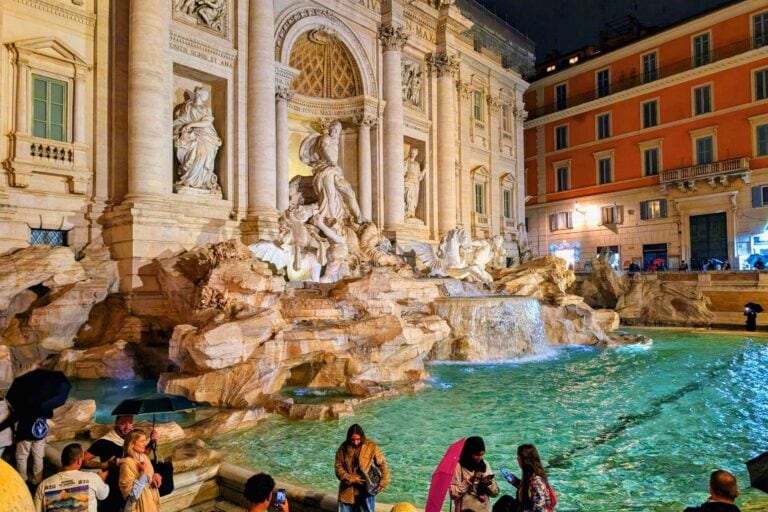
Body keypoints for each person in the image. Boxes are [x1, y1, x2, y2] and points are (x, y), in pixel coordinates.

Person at [83, 415, 158, 512]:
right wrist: (104, 465)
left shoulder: (132, 439)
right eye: (123, 423)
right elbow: (81, 461)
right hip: (113, 491)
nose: (127, 427)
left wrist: (152, 441)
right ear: (116, 422)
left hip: (135, 487)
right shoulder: (104, 442)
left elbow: (140, 457)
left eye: (130, 423)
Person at [34, 443, 109, 511]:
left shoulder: (43, 485)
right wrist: (101, 479)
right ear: (79, 460)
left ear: (62, 459)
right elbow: (103, 496)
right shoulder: (93, 478)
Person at [172, 86, 222, 190]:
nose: (204, 97)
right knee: (198, 155)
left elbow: (207, 122)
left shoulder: (206, 108)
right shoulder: (188, 106)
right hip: (193, 134)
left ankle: (200, 181)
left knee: (203, 155)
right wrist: (182, 127)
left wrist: (191, 125)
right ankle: (189, 180)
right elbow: (182, 119)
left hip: (207, 134)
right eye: (203, 95)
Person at [334, 423, 390, 512]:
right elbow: (338, 468)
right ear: (349, 438)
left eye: (358, 439)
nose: (355, 442)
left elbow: (382, 464)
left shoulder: (371, 446)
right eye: (352, 440)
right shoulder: (343, 448)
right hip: (347, 490)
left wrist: (383, 482)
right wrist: (350, 478)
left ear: (362, 437)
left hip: (366, 489)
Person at [449, 436, 500, 512]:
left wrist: (489, 484)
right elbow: (453, 494)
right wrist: (469, 481)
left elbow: (495, 493)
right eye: (477, 455)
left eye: (482, 455)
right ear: (468, 453)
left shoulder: (485, 464)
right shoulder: (458, 467)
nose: (480, 458)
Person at [119, 429, 160, 512]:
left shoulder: (145, 458)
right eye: (142, 441)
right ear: (132, 444)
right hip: (138, 507)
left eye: (145, 440)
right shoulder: (126, 464)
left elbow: (149, 480)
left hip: (151, 504)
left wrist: (154, 477)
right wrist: (143, 475)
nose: (145, 444)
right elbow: (131, 496)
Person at [510, 444, 556, 512]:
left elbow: (539, 508)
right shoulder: (529, 476)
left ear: (525, 460)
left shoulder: (537, 482)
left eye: (518, 456)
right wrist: (513, 480)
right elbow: (528, 491)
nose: (517, 459)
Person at [403, 148, 426, 219]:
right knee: (408, 197)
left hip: (415, 183)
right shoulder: (406, 162)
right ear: (410, 153)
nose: (413, 154)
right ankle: (407, 213)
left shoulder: (417, 164)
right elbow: (402, 171)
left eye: (415, 153)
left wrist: (425, 168)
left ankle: (411, 213)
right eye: (412, 152)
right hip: (408, 181)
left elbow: (419, 176)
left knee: (413, 199)